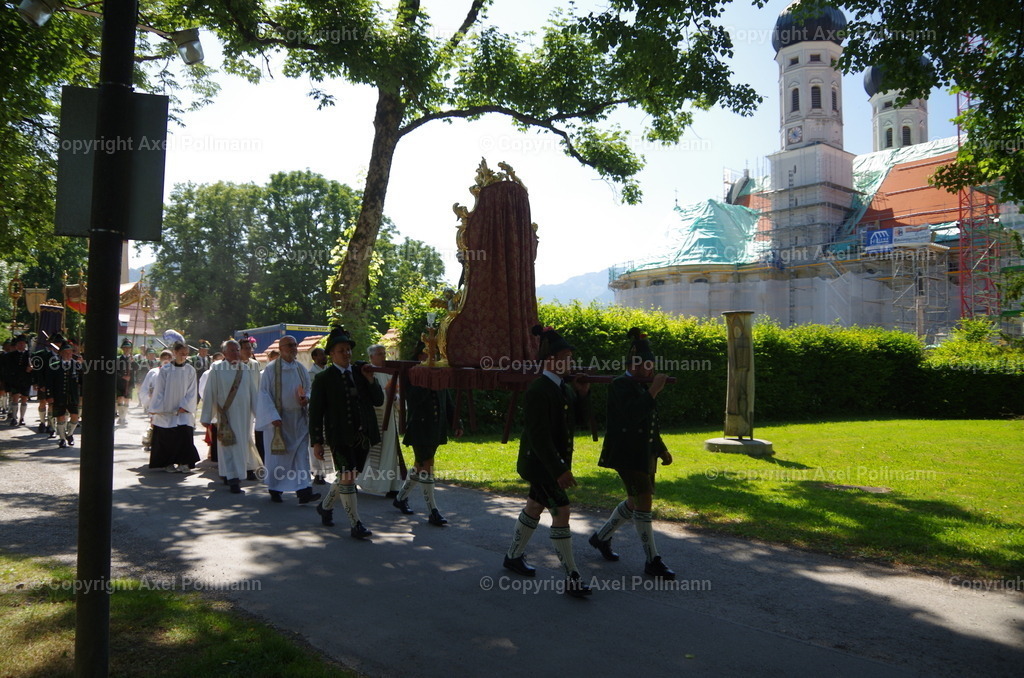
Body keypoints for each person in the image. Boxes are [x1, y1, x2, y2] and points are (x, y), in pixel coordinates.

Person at [502, 325, 592, 598]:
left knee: (534, 506)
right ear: (550, 360)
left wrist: (581, 395)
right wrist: (559, 470)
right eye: (565, 358)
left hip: (548, 465)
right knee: (562, 510)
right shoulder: (539, 390)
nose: (570, 363)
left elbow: (574, 422)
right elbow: (539, 437)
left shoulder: (561, 387)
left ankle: (513, 556)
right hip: (542, 466)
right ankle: (572, 576)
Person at [589, 328, 675, 580]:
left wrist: (661, 449)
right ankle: (652, 559)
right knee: (644, 500)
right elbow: (633, 414)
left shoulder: (641, 386)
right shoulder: (620, 385)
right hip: (627, 455)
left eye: (652, 365)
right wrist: (654, 391)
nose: (651, 370)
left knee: (634, 501)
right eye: (647, 365)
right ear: (634, 365)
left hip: (644, 453)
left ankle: (601, 537)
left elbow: (650, 422)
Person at [309, 327, 384, 538]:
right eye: (342, 350)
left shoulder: (362, 374)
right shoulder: (324, 379)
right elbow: (315, 413)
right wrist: (317, 441)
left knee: (348, 476)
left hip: (363, 436)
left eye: (348, 350)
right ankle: (355, 523)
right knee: (348, 477)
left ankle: (325, 507)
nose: (347, 353)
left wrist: (370, 379)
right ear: (331, 354)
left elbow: (378, 400)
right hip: (339, 437)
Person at [393, 341, 462, 525]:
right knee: (428, 465)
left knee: (419, 465)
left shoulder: (439, 373)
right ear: (418, 357)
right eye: (426, 354)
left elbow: (447, 400)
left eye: (433, 354)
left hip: (436, 428)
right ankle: (433, 511)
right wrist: (428, 381)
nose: (430, 358)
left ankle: (400, 498)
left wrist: (456, 422)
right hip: (420, 428)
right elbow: (413, 399)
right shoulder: (411, 374)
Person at [256, 335, 319, 505]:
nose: (293, 348)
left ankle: (304, 490)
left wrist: (306, 398)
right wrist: (273, 416)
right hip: (279, 420)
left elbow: (308, 389)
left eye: (295, 345)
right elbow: (264, 394)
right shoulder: (270, 370)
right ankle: (275, 489)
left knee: (301, 456)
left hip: (298, 418)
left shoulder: (301, 368)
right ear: (281, 348)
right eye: (289, 345)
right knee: (279, 458)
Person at [200, 340, 259, 494]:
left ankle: (229, 474)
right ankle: (234, 478)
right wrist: (206, 417)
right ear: (224, 353)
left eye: (237, 350)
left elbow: (253, 393)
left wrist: (260, 415)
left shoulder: (245, 369)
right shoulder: (217, 368)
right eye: (232, 350)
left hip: (244, 416)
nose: (236, 353)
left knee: (240, 446)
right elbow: (210, 392)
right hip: (226, 415)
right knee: (228, 445)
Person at [358, 343, 405, 496]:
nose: (383, 356)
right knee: (377, 453)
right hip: (378, 418)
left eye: (384, 353)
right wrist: (388, 398)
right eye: (379, 354)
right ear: (371, 357)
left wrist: (397, 398)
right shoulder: (369, 372)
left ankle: (391, 486)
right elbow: (372, 397)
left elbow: (397, 392)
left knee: (391, 453)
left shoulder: (389, 372)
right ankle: (372, 483)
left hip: (391, 417)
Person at [147, 339, 200, 473]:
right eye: (182, 353)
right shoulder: (165, 370)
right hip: (167, 409)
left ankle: (184, 462)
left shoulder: (190, 370)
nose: (184, 356)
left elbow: (192, 391)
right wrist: (157, 408)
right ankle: (168, 463)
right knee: (167, 438)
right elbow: (159, 390)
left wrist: (185, 406)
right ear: (175, 352)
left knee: (184, 435)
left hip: (183, 410)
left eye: (186, 354)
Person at [45, 342, 83, 448]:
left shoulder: (77, 365)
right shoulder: (54, 366)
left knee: (75, 417)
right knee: (60, 417)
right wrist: (49, 396)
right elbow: (49, 383)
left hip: (72, 396)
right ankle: (62, 438)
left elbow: (83, 380)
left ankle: (69, 434)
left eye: (70, 352)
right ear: (61, 353)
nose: (68, 354)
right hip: (59, 396)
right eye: (66, 352)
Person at [306, 347, 335, 485]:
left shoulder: (330, 372)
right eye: (321, 355)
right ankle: (317, 472)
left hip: (330, 412)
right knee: (316, 442)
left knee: (330, 443)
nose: (325, 357)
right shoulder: (310, 374)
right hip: (318, 412)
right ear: (314, 358)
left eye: (325, 354)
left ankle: (330, 470)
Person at [139, 349, 172, 450]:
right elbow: (145, 387)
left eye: (168, 358)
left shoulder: (175, 372)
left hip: (170, 404)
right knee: (154, 424)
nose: (166, 359)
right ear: (160, 359)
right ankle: (152, 442)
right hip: (155, 403)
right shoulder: (153, 372)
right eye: (164, 357)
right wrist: (148, 397)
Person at [3, 335, 33, 427]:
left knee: (24, 398)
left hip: (25, 379)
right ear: (16, 345)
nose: (21, 345)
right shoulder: (11, 355)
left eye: (23, 344)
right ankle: (14, 417)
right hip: (15, 379)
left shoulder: (29, 355)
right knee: (15, 397)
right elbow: (8, 368)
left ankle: (22, 418)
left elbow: (34, 366)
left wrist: (31, 369)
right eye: (19, 344)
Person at [115, 339, 138, 426]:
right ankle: (121, 418)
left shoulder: (132, 359)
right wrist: (123, 376)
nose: (127, 349)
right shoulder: (118, 359)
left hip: (129, 383)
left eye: (129, 348)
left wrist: (133, 362)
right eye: (125, 348)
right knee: (120, 398)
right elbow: (115, 371)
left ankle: (124, 417)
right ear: (122, 349)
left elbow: (137, 368)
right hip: (120, 382)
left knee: (127, 400)